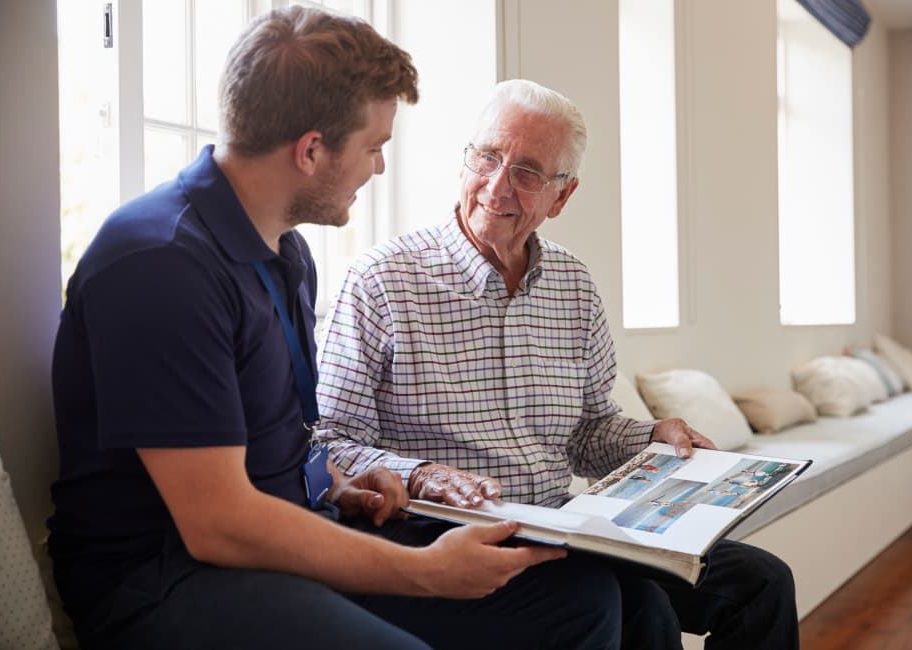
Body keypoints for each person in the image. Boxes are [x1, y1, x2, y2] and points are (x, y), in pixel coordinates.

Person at [48, 9, 629, 650]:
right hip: (166, 576)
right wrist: (425, 572)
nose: (379, 168)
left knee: (580, 603)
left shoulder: (286, 256)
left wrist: (339, 483)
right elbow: (219, 525)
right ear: (312, 150)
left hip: (278, 537)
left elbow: (288, 440)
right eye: (374, 146)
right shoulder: (159, 262)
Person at [315, 78, 801, 649]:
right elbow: (329, 442)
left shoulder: (572, 285)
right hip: (442, 531)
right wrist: (423, 474)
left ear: (561, 196)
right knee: (641, 606)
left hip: (566, 521)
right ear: (464, 160)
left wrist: (654, 436)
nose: (498, 186)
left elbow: (589, 431)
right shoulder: (380, 280)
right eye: (487, 158)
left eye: (526, 172)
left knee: (764, 582)